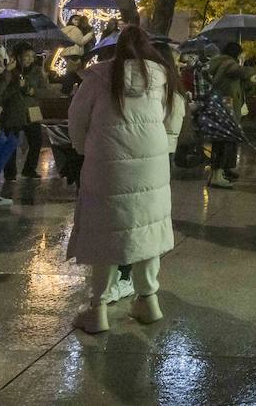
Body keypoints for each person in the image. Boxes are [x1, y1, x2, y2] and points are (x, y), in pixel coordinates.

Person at [68, 27, 184, 334]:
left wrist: (84, 149)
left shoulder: (98, 77)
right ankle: (148, 300)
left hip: (106, 167)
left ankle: (98, 309)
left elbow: (76, 120)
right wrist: (163, 150)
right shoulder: (162, 77)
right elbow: (174, 119)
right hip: (152, 168)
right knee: (147, 231)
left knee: (103, 234)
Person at [207, 42, 256, 189]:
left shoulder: (224, 63)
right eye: (241, 53)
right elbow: (243, 72)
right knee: (224, 142)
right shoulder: (228, 63)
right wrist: (255, 68)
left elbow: (243, 84)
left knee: (224, 142)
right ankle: (217, 176)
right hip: (225, 109)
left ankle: (218, 174)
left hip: (225, 107)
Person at [5, 43, 47, 180]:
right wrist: (16, 84)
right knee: (11, 143)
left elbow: (45, 90)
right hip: (14, 111)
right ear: (18, 57)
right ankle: (10, 172)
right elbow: (3, 92)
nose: (29, 59)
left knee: (36, 140)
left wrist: (31, 90)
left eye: (32, 56)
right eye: (26, 56)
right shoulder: (10, 71)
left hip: (32, 110)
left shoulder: (37, 71)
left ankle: (29, 169)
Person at [60, 15, 95, 93]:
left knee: (73, 72)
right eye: (75, 20)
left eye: (78, 20)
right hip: (74, 53)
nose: (77, 22)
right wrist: (90, 34)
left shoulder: (66, 29)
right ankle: (67, 90)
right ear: (71, 20)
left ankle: (69, 90)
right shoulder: (75, 29)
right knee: (72, 73)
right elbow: (81, 41)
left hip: (68, 53)